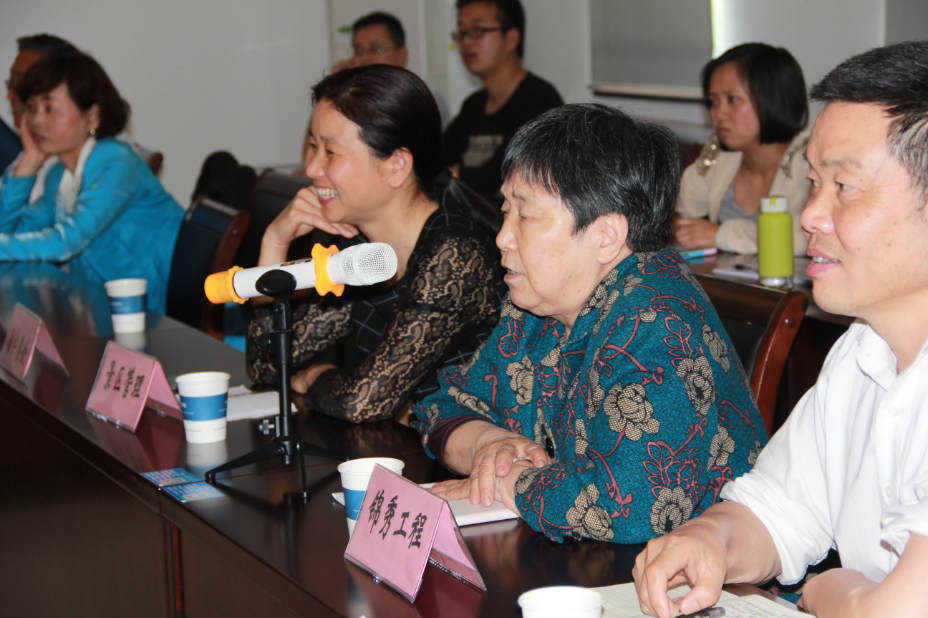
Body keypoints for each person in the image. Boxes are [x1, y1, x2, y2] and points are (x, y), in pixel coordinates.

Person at [634, 41, 928, 618]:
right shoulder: (863, 349)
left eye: (843, 187)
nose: (810, 215)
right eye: (814, 183)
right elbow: (778, 509)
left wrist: (829, 592)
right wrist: (710, 538)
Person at [417, 103, 766, 543]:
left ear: (606, 236)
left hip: (700, 575)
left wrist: (510, 480)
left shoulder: (656, 325)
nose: (502, 237)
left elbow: (627, 508)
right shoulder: (537, 307)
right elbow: (442, 404)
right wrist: (489, 446)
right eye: (505, 211)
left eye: (525, 216)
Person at [246, 65, 506, 424]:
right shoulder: (363, 251)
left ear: (396, 165)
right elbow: (266, 364)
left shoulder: (456, 253)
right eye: (312, 147)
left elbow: (363, 401)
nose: (311, 168)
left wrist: (314, 376)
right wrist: (274, 241)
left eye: (330, 152)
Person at [0, 52, 184, 314]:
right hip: (110, 308)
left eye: (49, 108)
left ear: (92, 116)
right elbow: (12, 232)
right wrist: (29, 160)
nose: (36, 121)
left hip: (167, 309)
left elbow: (66, 241)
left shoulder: (116, 162)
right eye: (31, 107)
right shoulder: (58, 175)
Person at [675, 43, 811, 255]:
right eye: (713, 102)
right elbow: (681, 215)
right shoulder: (719, 154)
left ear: (772, 98)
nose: (719, 114)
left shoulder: (813, 161)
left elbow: (807, 236)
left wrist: (721, 235)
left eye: (733, 99)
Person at [442, 0, 563, 205]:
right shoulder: (473, 105)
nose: (466, 42)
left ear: (511, 39)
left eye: (477, 30)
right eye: (462, 32)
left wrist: (438, 175)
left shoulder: (541, 102)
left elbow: (501, 177)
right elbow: (440, 152)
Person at [2, 34, 80, 198]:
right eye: (12, 83)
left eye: (23, 84)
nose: (10, 95)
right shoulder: (27, 157)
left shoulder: (109, 160)